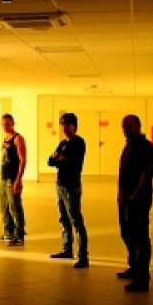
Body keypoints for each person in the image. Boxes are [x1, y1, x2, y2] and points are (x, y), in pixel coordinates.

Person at [116, 114, 153, 292]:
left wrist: (134, 196)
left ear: (138, 126)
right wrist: (121, 193)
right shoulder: (129, 146)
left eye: (129, 126)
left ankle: (142, 278)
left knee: (140, 237)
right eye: (123, 126)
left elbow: (146, 175)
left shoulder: (147, 147)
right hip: (125, 198)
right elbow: (123, 172)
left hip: (138, 199)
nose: (125, 129)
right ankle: (134, 267)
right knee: (127, 234)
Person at [48, 112, 89, 268]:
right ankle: (67, 249)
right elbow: (50, 161)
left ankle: (83, 256)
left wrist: (59, 160)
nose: (64, 127)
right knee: (63, 218)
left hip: (72, 186)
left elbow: (73, 164)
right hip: (60, 185)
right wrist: (60, 159)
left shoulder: (78, 143)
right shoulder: (63, 143)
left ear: (74, 126)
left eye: (67, 124)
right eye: (62, 124)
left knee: (76, 220)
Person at [0, 113, 27, 246]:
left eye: (7, 124)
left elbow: (23, 160)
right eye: (3, 124)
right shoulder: (5, 138)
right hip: (3, 178)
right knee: (4, 207)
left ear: (13, 123)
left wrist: (18, 179)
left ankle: (19, 235)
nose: (5, 126)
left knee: (15, 207)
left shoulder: (18, 139)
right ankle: (8, 232)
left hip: (13, 179)